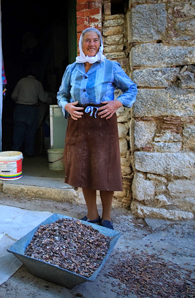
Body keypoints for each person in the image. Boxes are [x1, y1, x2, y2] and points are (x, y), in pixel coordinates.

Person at [56, 27, 137, 229]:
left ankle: (107, 217)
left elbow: (131, 88)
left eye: (95, 40)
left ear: (100, 44)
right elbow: (62, 94)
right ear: (81, 44)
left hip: (102, 123)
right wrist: (66, 105)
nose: (92, 44)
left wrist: (116, 103)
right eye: (87, 41)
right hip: (78, 123)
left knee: (104, 170)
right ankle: (92, 215)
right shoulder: (71, 69)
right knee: (83, 170)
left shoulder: (110, 66)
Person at [11, 72, 45, 157]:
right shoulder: (38, 83)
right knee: (31, 131)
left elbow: (13, 95)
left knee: (19, 131)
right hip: (32, 109)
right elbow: (43, 98)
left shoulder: (21, 81)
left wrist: (20, 100)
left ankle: (16, 151)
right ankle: (29, 152)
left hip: (20, 108)